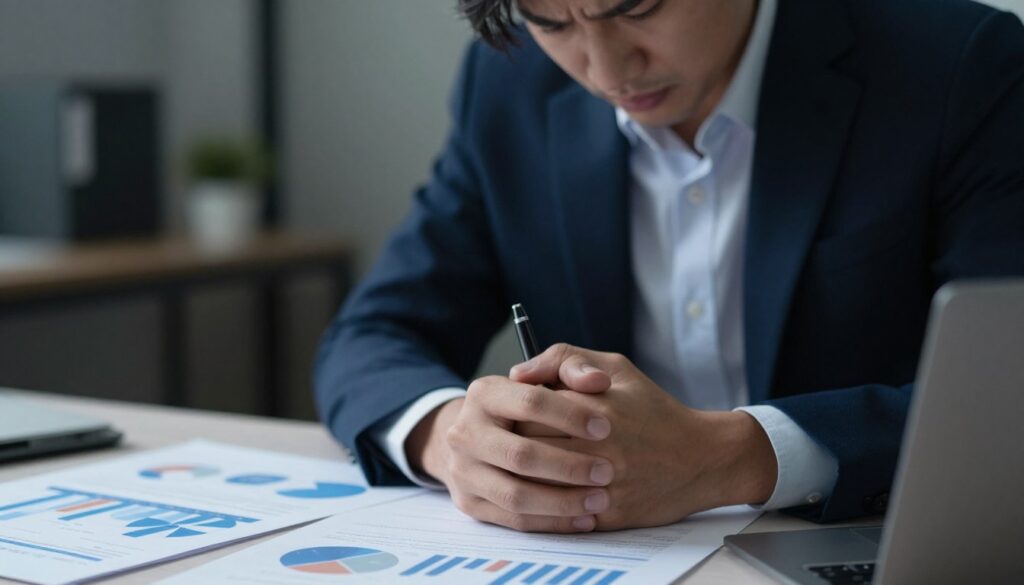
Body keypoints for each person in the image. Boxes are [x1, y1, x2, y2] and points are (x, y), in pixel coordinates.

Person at [314, 0, 1024, 533]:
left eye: (636, 7)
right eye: (551, 21)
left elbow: (1005, 392)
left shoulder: (958, 65)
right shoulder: (510, 87)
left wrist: (734, 456)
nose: (607, 68)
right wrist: (449, 436)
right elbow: (372, 335)